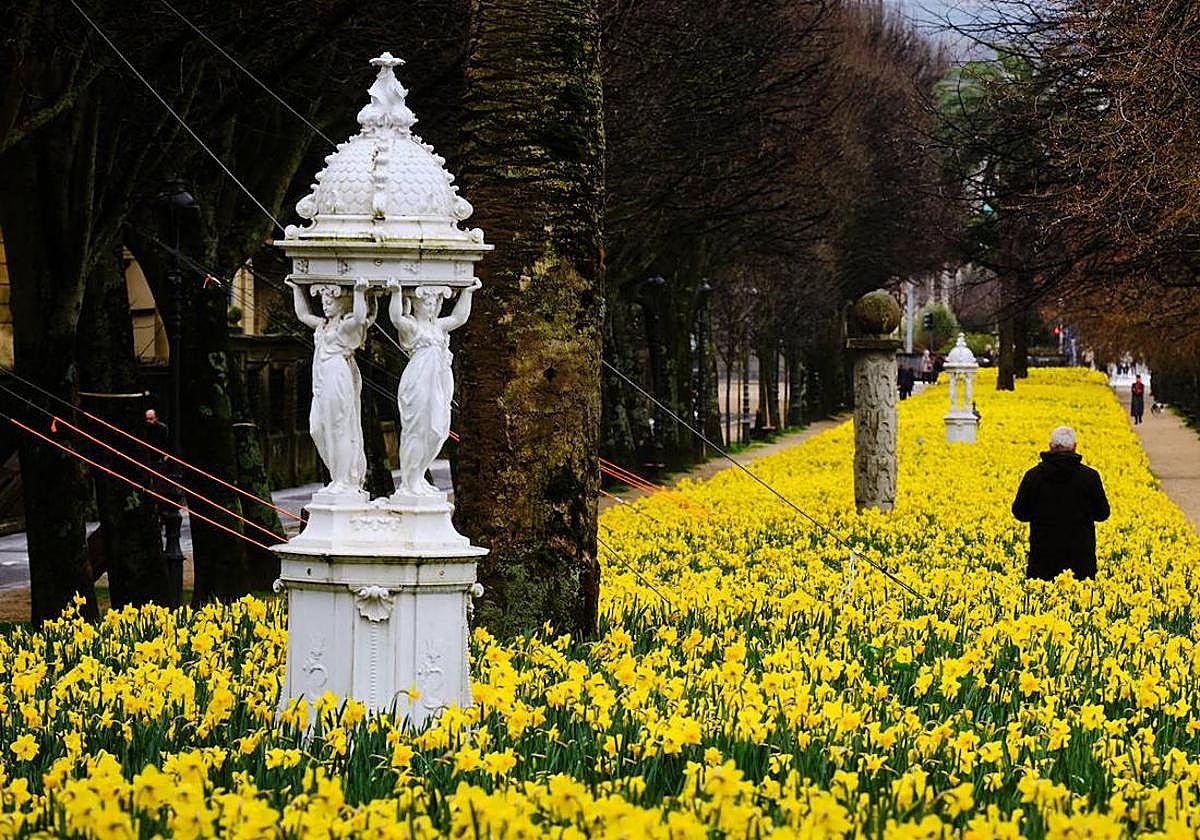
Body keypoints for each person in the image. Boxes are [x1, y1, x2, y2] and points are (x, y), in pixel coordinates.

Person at [388, 278, 481, 495]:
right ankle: (410, 481)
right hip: (419, 382)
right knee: (417, 429)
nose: (430, 306)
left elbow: (459, 317)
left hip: (439, 383)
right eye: (425, 302)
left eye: (433, 302)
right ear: (415, 303)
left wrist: (468, 292)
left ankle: (419, 476)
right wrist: (395, 292)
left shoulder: (438, 326)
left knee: (437, 430)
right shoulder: (412, 327)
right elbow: (395, 317)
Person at [287, 279, 374, 494]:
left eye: (330, 301)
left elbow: (360, 317)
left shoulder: (345, 326)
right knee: (317, 428)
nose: (325, 304)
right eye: (324, 300)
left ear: (342, 304)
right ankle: (338, 474)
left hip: (337, 375)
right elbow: (303, 315)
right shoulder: (323, 325)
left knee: (339, 428)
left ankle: (342, 481)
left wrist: (359, 292)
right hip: (322, 379)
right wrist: (297, 289)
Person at [1012, 426, 1110, 580]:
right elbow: (1103, 514)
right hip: (1080, 560)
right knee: (1079, 602)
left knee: (1043, 600)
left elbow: (1019, 513)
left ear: (1051, 446)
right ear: (1075, 447)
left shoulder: (1034, 476)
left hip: (1043, 560)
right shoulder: (1090, 477)